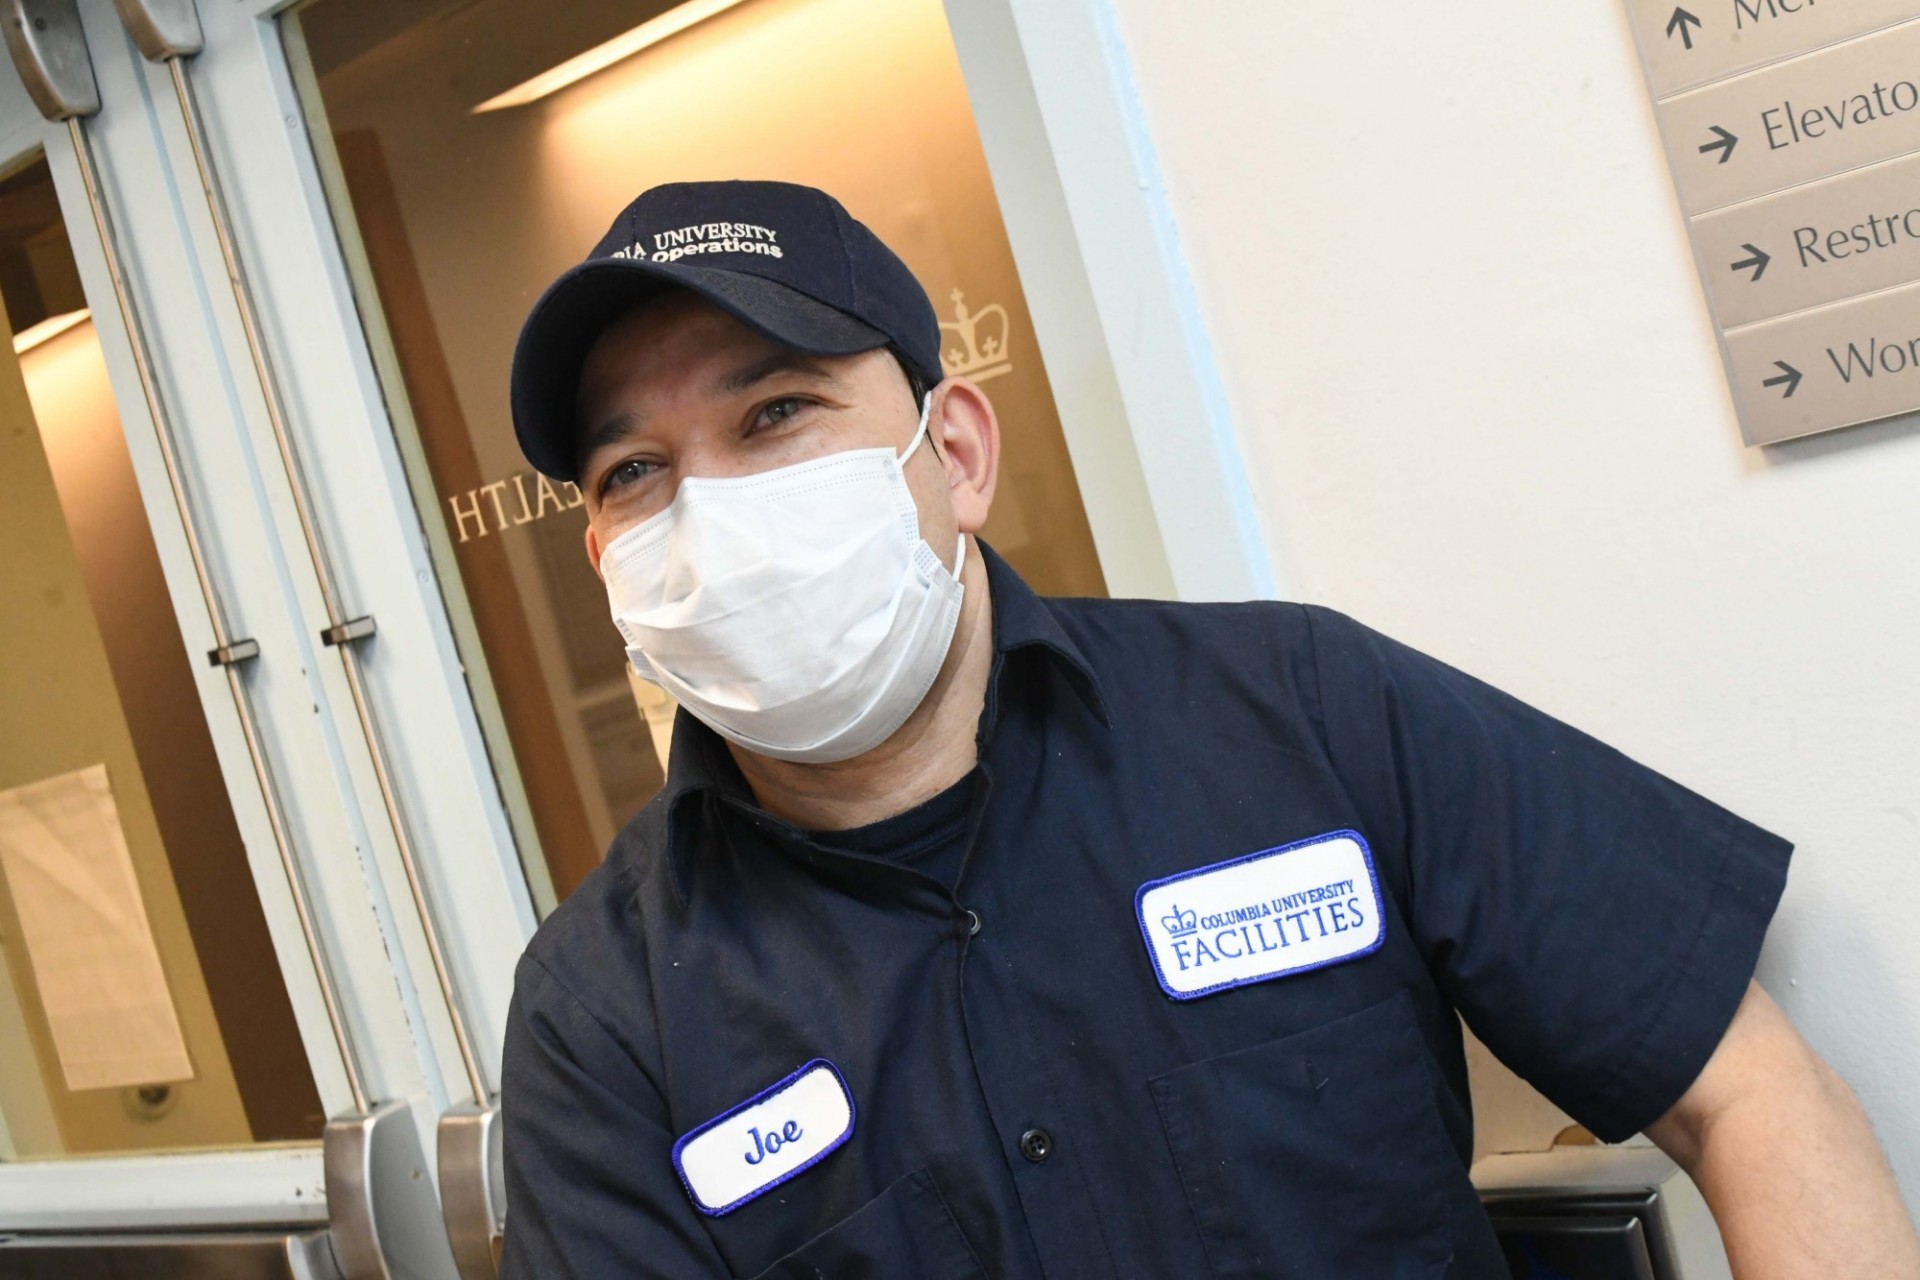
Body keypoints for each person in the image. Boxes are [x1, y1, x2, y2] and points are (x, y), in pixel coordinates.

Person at [497, 179, 1919, 1279]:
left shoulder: (1297, 713)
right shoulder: (605, 1018)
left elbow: (1749, 1089)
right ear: (610, 559)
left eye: (778, 412)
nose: (718, 515)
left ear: (959, 456)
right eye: (638, 471)